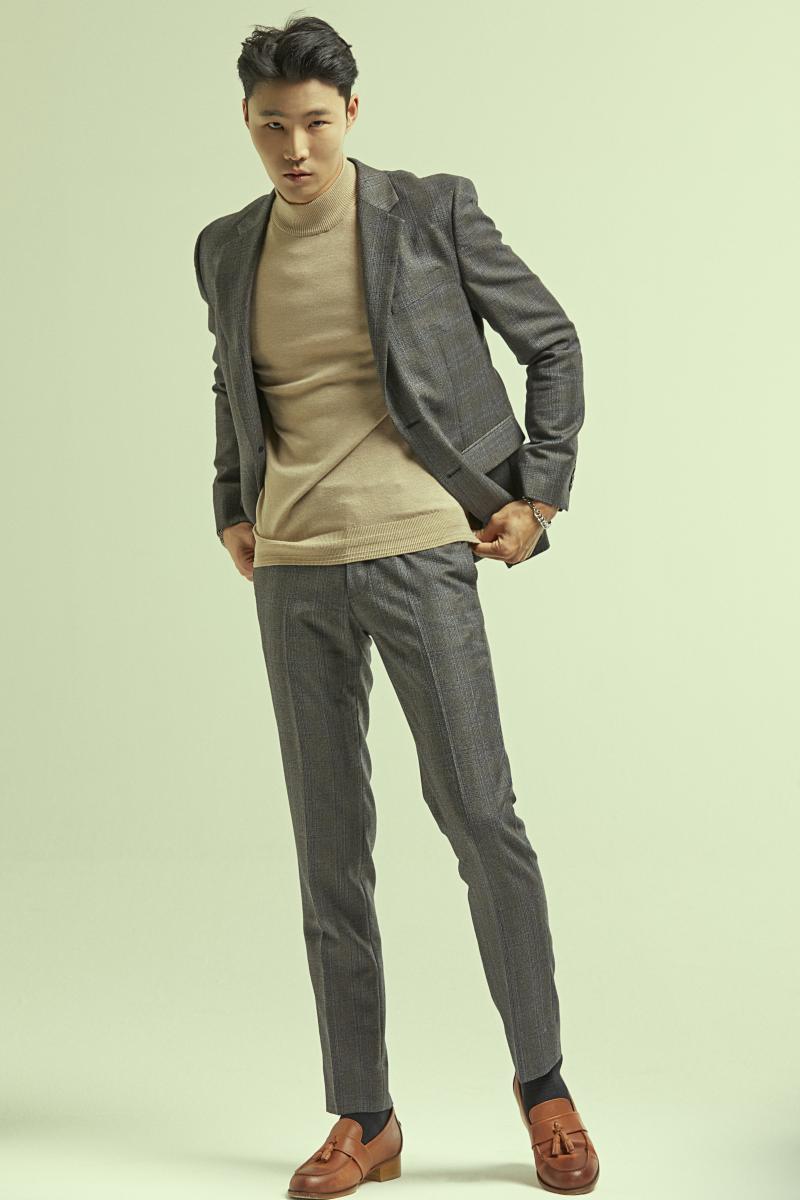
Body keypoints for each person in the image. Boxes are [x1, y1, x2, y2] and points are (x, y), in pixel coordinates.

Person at [192, 15, 599, 1196]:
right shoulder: (224, 247)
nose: (295, 149)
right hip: (293, 569)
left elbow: (551, 342)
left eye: (315, 124)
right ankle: (363, 1118)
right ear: (247, 124)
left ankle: (544, 1089)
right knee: (329, 852)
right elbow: (230, 380)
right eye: (272, 127)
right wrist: (230, 502)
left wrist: (538, 495)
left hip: (421, 548)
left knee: (480, 818)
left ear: (351, 115)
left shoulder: (429, 211)